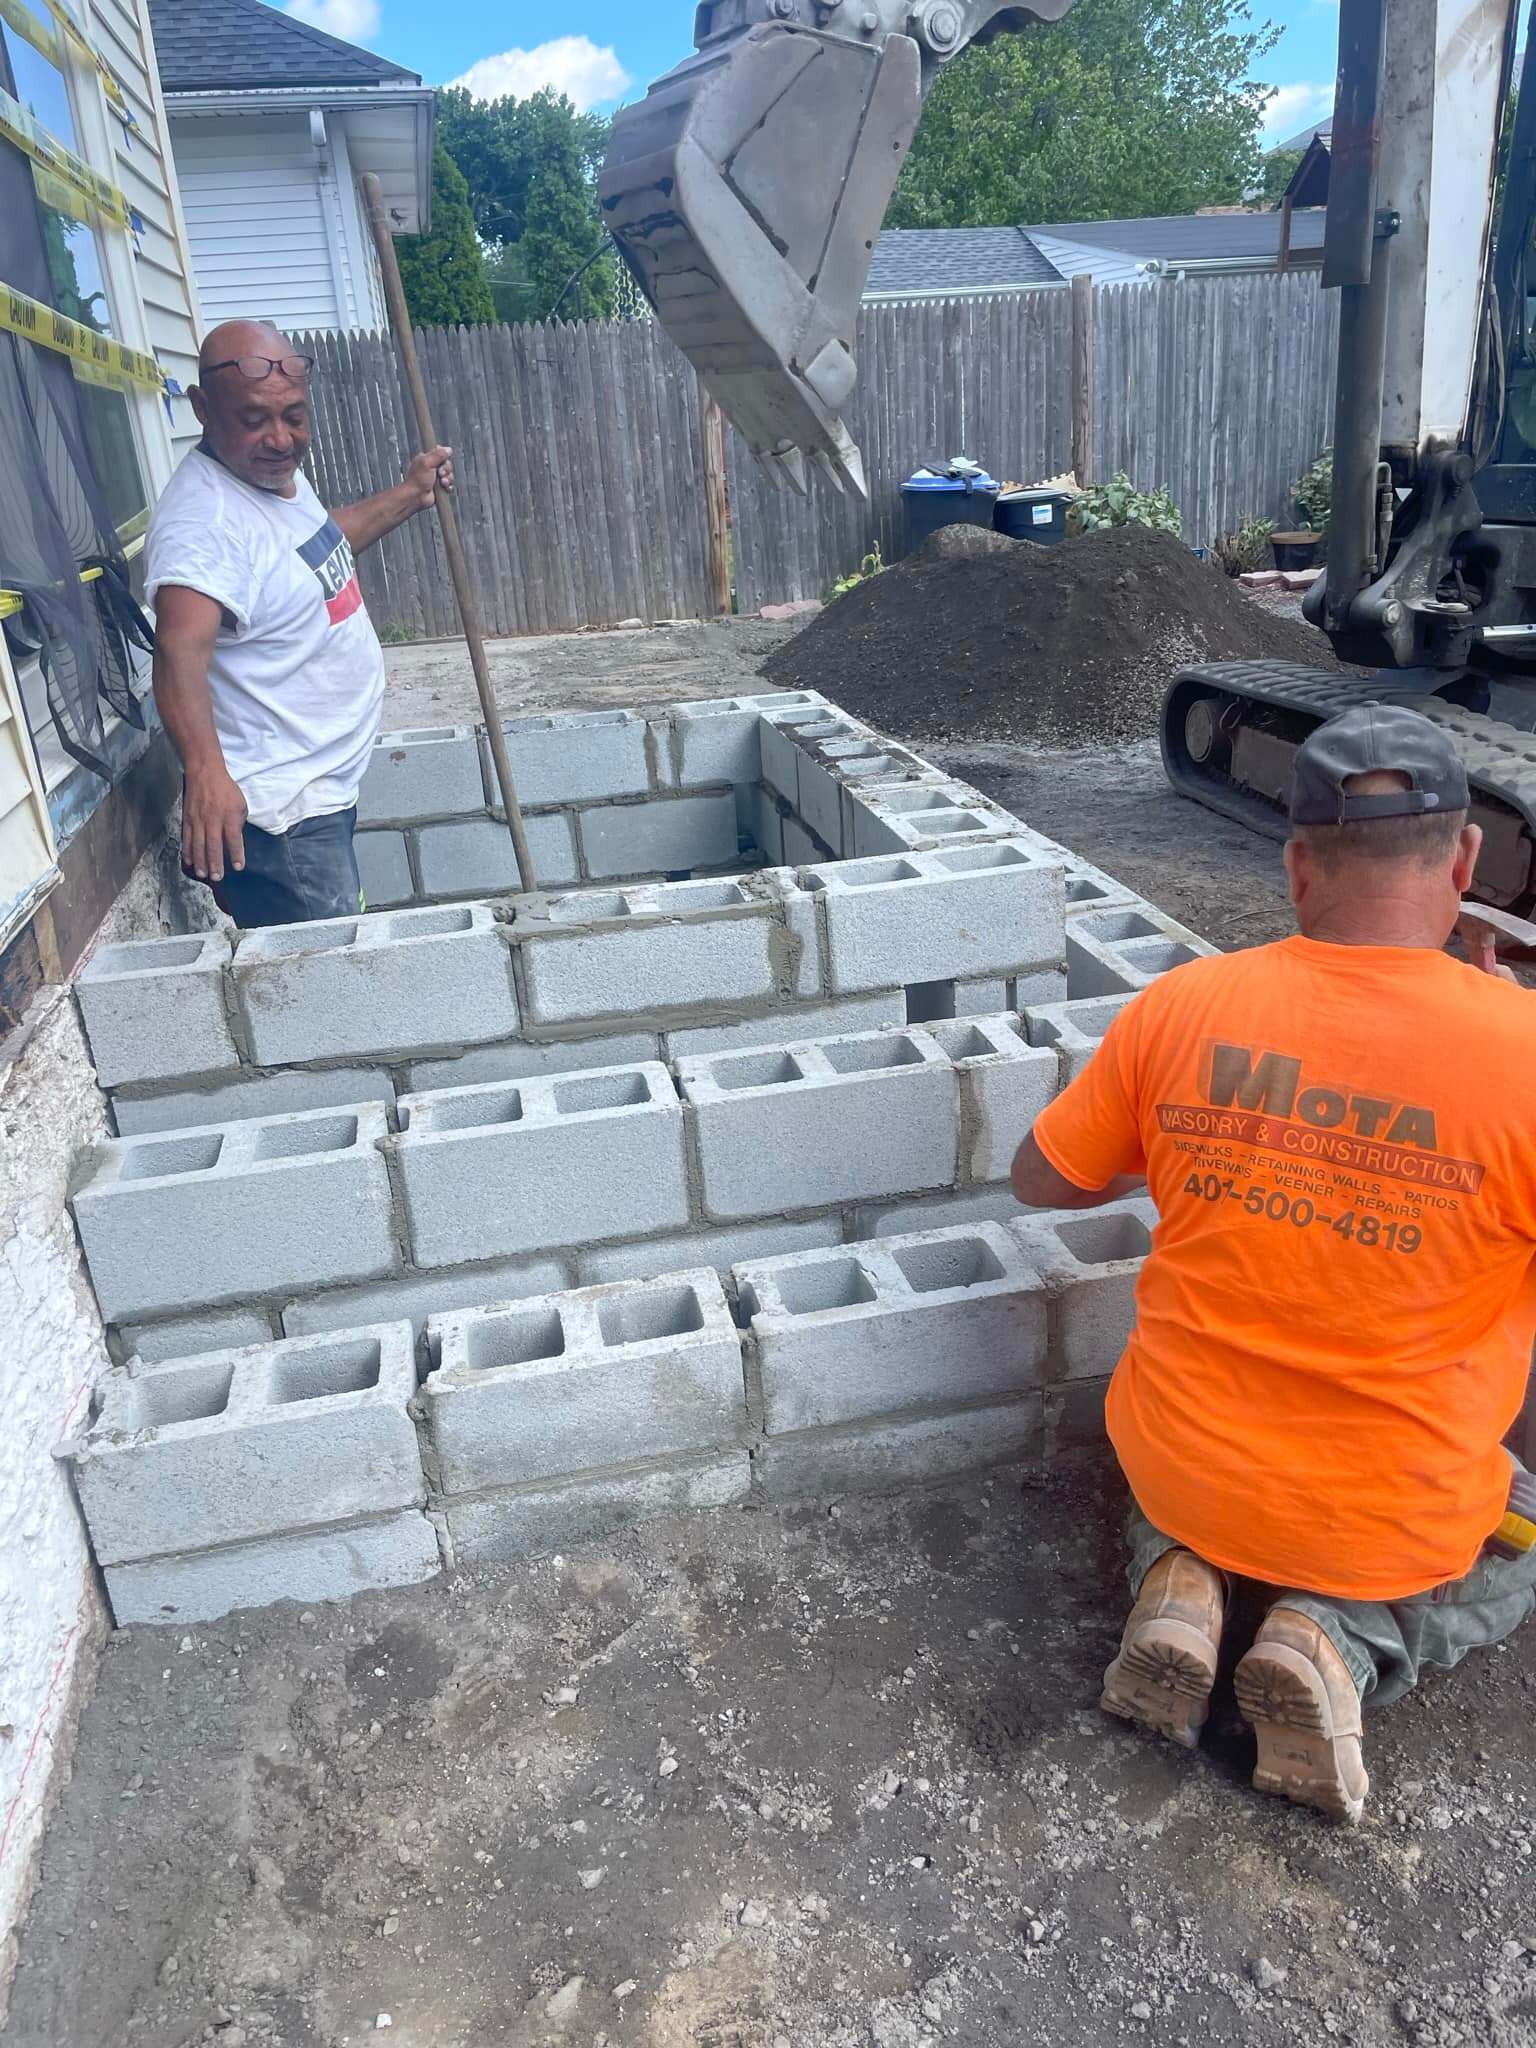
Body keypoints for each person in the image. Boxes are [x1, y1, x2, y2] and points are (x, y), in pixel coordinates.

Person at [1010, 703, 1536, 1822]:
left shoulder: (1184, 1005)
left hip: (1187, 1462)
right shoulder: (1526, 1054)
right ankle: (1335, 1636)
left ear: (1297, 866)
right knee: (1512, 1550)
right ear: (1466, 861)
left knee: (1171, 1464)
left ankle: (1179, 1582)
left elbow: (1041, 1180)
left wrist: (1204, 1139)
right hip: (1389, 1512)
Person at [145, 318, 453, 927]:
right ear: (203, 408)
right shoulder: (203, 527)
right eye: (254, 419)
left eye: (294, 416)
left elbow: (313, 546)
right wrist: (205, 772)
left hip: (316, 793)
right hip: (283, 823)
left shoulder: (267, 474)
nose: (280, 438)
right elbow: (178, 652)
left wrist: (411, 495)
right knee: (336, 977)